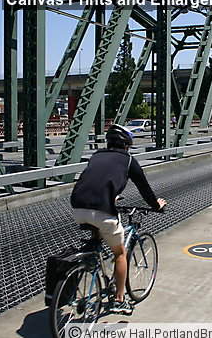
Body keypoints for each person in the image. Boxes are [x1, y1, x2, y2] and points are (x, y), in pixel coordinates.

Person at [70, 124, 166, 315]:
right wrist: (157, 205)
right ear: (127, 145)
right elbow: (144, 189)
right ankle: (119, 300)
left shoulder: (97, 155)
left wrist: (111, 195)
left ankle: (90, 258)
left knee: (97, 232)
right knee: (120, 253)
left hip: (77, 206)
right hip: (103, 210)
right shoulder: (129, 160)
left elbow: (96, 179)